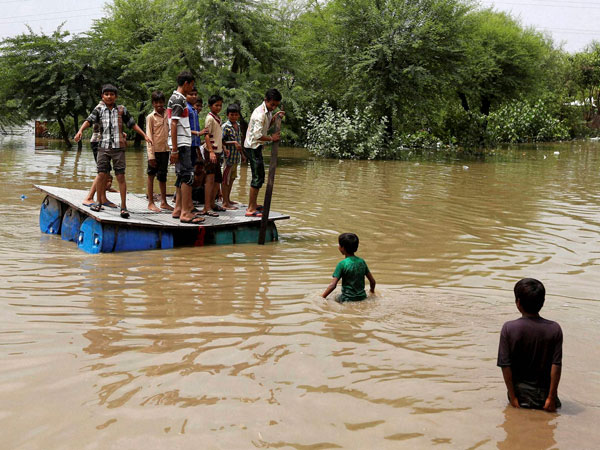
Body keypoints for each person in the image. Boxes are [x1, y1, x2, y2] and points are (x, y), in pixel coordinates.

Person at [74, 84, 152, 219]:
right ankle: (98, 202)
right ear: (102, 96)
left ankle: (123, 207)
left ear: (116, 96)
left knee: (120, 176)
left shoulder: (121, 110)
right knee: (101, 174)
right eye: (106, 94)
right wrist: (80, 131)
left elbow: (132, 124)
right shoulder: (99, 109)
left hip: (118, 147)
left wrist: (144, 135)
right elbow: (89, 121)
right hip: (103, 146)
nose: (109, 96)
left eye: (112, 94)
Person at [497, 278, 563, 412]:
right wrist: (551, 398)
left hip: (520, 398)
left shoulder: (509, 328)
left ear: (518, 303)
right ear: (543, 302)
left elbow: (505, 365)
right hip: (545, 398)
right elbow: (556, 365)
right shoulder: (554, 329)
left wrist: (513, 397)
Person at [168, 71, 204, 224]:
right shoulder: (178, 100)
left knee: (182, 176)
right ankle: (186, 213)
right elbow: (174, 124)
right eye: (192, 85)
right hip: (181, 144)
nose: (192, 89)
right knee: (188, 176)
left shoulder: (177, 99)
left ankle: (178, 209)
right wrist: (175, 149)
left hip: (182, 142)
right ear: (186, 84)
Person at [243, 88, 285, 217]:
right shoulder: (260, 114)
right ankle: (250, 208)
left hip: (256, 146)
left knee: (259, 176)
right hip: (252, 147)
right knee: (257, 177)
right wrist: (272, 138)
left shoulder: (267, 112)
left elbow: (266, 126)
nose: (273, 107)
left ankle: (253, 204)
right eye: (272, 104)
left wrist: (275, 117)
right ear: (266, 100)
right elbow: (257, 136)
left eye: (276, 105)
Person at [322, 233, 376, 302]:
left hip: (347, 299)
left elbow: (333, 285)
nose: (338, 246)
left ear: (343, 248)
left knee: (333, 298)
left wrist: (322, 297)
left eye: (339, 245)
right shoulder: (362, 262)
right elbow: (372, 281)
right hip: (362, 298)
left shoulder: (342, 264)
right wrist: (372, 292)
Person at [145, 90, 173, 212]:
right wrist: (150, 155)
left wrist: (173, 151)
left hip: (166, 150)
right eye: (156, 103)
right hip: (154, 151)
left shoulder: (169, 114)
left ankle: (164, 201)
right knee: (151, 175)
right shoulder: (150, 117)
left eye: (161, 102)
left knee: (163, 176)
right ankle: (151, 202)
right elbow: (148, 136)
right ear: (153, 104)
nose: (159, 105)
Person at [200, 94, 225, 217]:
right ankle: (207, 207)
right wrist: (210, 152)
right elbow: (206, 135)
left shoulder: (218, 118)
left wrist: (223, 148)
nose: (218, 107)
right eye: (216, 105)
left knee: (217, 180)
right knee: (209, 180)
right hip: (211, 152)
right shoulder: (209, 118)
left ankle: (212, 204)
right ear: (210, 106)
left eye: (220, 105)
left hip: (218, 152)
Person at [221, 103, 245, 209]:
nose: (234, 117)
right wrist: (233, 143)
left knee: (232, 179)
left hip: (236, 158)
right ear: (227, 115)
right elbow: (221, 141)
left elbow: (239, 143)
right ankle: (225, 202)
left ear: (238, 115)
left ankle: (228, 199)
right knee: (225, 180)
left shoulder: (238, 126)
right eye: (232, 115)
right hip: (228, 157)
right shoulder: (225, 126)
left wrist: (242, 155)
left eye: (236, 115)